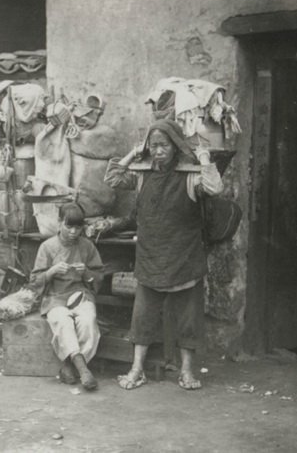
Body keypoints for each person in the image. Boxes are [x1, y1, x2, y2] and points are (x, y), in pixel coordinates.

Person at [104, 118, 223, 390]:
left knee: (188, 317)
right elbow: (111, 178)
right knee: (142, 316)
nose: (158, 151)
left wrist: (204, 159)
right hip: (151, 255)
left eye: (164, 145)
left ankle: (187, 372)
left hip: (185, 256)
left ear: (176, 146)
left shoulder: (191, 175)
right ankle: (137, 369)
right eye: (153, 145)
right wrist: (134, 153)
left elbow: (215, 189)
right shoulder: (142, 173)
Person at [30, 202, 104, 390]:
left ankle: (69, 365)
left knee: (88, 321)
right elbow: (34, 281)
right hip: (55, 296)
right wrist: (51, 271)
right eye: (68, 226)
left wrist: (86, 272)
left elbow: (98, 276)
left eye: (78, 227)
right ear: (59, 222)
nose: (73, 232)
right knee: (63, 321)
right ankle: (83, 370)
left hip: (80, 294)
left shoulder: (87, 246)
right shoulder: (47, 247)